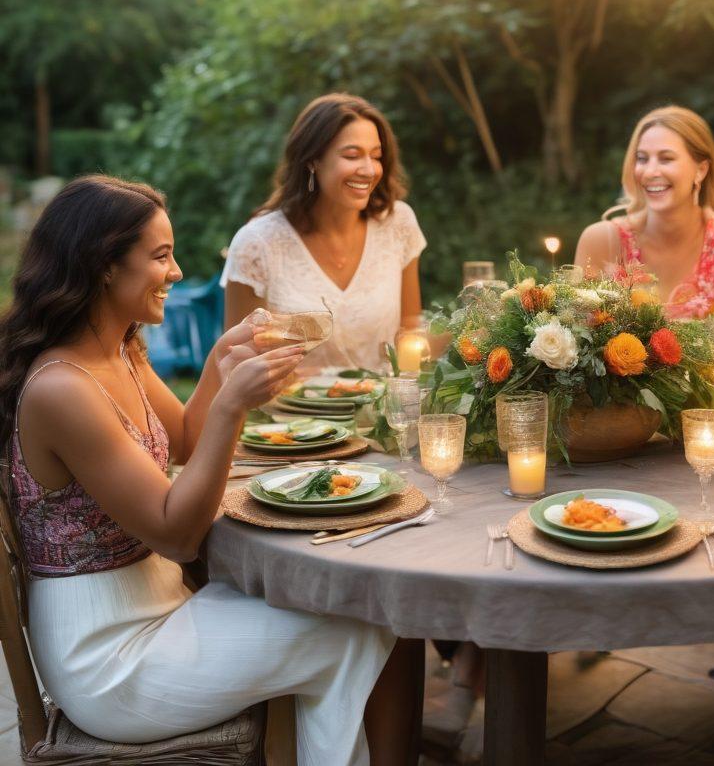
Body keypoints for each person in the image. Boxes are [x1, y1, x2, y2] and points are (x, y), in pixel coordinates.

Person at [0, 176, 420, 766]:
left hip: (160, 609)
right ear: (104, 267)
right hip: (109, 659)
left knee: (365, 615)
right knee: (363, 631)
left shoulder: (116, 349)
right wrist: (231, 404)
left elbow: (186, 442)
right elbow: (177, 535)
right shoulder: (62, 388)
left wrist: (222, 358)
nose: (177, 272)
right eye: (162, 256)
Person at [223, 92, 425, 369]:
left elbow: (410, 327)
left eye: (376, 156)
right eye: (352, 155)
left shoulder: (398, 222)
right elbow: (236, 357)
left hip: (386, 409)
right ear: (312, 160)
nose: (368, 170)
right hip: (288, 412)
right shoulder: (256, 243)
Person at [574, 105, 714, 321]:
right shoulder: (600, 240)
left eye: (666, 159)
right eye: (642, 159)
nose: (650, 172)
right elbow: (580, 340)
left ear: (701, 170)